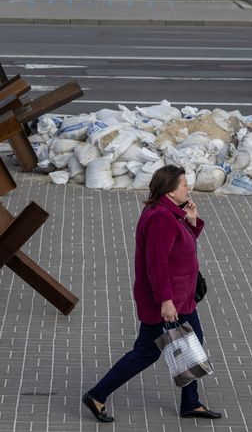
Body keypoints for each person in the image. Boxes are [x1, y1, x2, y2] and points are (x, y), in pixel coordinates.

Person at [82, 165, 222, 423]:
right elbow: (156, 264)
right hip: (168, 302)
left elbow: (181, 246)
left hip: (183, 299)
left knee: (193, 342)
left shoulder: (171, 213)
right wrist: (166, 301)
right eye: (184, 184)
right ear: (170, 190)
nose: (188, 188)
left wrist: (192, 222)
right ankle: (97, 394)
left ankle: (191, 403)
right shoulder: (160, 217)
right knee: (146, 352)